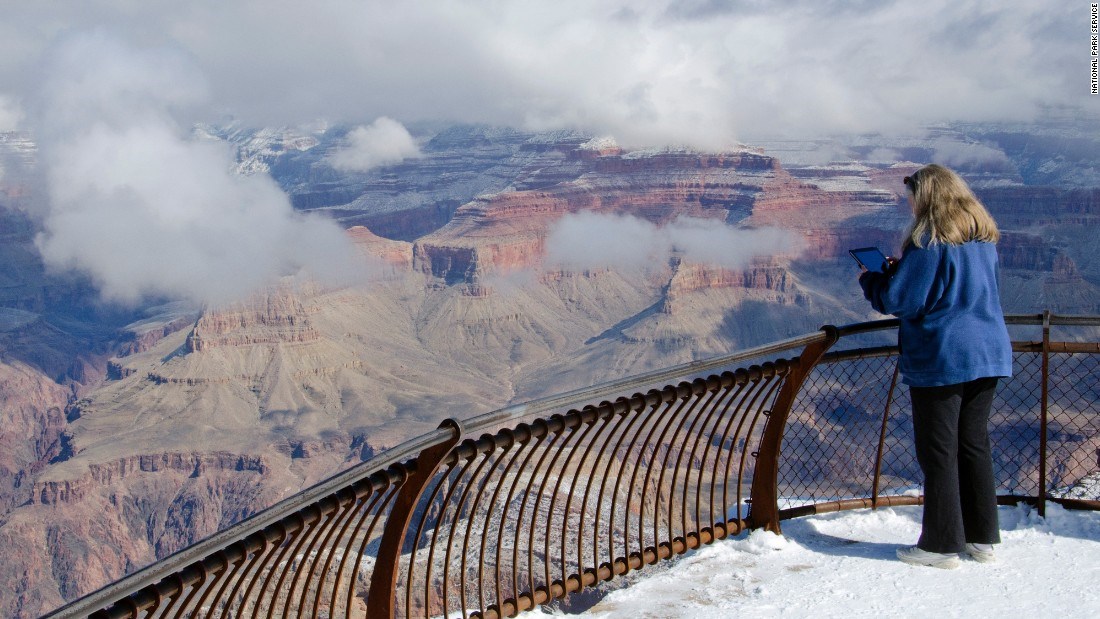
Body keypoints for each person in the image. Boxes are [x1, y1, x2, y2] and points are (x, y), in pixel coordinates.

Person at [858, 163, 1013, 569]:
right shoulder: (983, 239)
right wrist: (903, 274)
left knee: (938, 450)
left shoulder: (928, 242)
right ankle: (981, 539)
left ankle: (941, 546)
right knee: (973, 445)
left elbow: (901, 301)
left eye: (911, 196)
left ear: (925, 197)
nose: (908, 204)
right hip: (990, 351)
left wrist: (874, 281)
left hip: (944, 356)